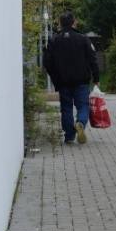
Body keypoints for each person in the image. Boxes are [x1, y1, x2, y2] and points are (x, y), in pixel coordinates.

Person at [43, 11, 100, 145]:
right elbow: (93, 60)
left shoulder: (54, 40)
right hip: (81, 80)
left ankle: (69, 136)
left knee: (66, 107)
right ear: (74, 22)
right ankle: (80, 122)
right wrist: (96, 77)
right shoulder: (83, 38)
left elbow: (47, 62)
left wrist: (55, 77)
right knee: (83, 105)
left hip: (63, 81)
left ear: (60, 23)